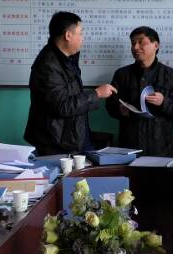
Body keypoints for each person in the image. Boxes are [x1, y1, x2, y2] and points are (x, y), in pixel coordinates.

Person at [24, 11, 117, 155]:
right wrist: (96, 94)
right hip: (56, 141)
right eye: (80, 33)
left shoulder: (67, 58)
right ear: (68, 35)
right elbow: (62, 106)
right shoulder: (48, 65)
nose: (82, 38)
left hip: (74, 134)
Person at [105, 26, 173, 156]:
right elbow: (110, 105)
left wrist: (163, 102)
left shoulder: (171, 75)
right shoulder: (122, 74)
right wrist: (120, 109)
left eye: (141, 42)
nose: (135, 47)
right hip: (129, 147)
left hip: (160, 148)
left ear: (156, 45)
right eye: (133, 43)